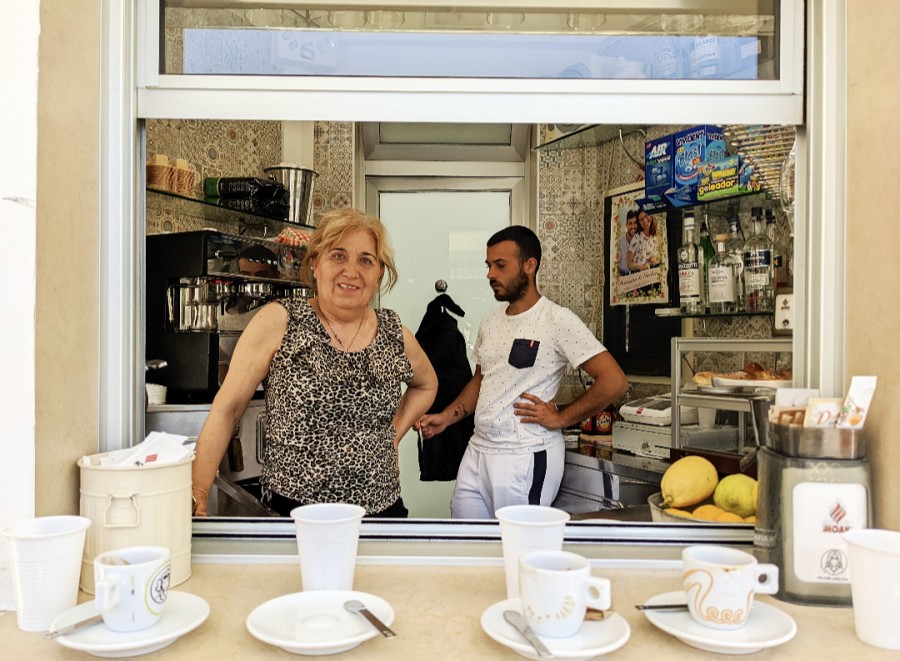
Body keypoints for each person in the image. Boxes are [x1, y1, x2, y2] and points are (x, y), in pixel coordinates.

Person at [192, 208, 438, 518]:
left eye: (366, 260)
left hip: (380, 512)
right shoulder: (280, 320)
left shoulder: (393, 332)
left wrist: (394, 434)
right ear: (316, 264)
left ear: (379, 275)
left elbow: (427, 384)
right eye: (338, 256)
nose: (351, 271)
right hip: (293, 513)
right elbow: (226, 409)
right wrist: (197, 492)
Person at [415, 226, 628, 519]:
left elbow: (614, 381)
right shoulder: (490, 320)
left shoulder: (556, 319)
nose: (490, 274)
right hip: (478, 450)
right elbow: (481, 380)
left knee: (515, 546)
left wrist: (561, 418)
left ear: (530, 265)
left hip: (525, 455)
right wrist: (446, 418)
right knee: (468, 541)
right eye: (489, 265)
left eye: (500, 265)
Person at [618, 209, 639, 275]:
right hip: (623, 274)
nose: (633, 227)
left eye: (635, 223)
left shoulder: (641, 239)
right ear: (626, 224)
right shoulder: (620, 242)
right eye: (630, 223)